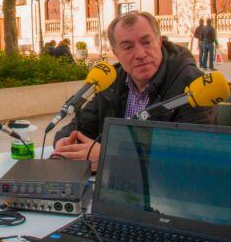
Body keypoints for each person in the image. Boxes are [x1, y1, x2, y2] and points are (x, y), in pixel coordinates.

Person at [52, 11, 216, 171]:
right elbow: (81, 126)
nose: (140, 54)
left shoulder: (192, 84)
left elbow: (193, 154)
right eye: (128, 47)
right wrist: (65, 140)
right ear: (116, 53)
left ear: (159, 42)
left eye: (146, 42)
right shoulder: (111, 81)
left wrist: (110, 156)